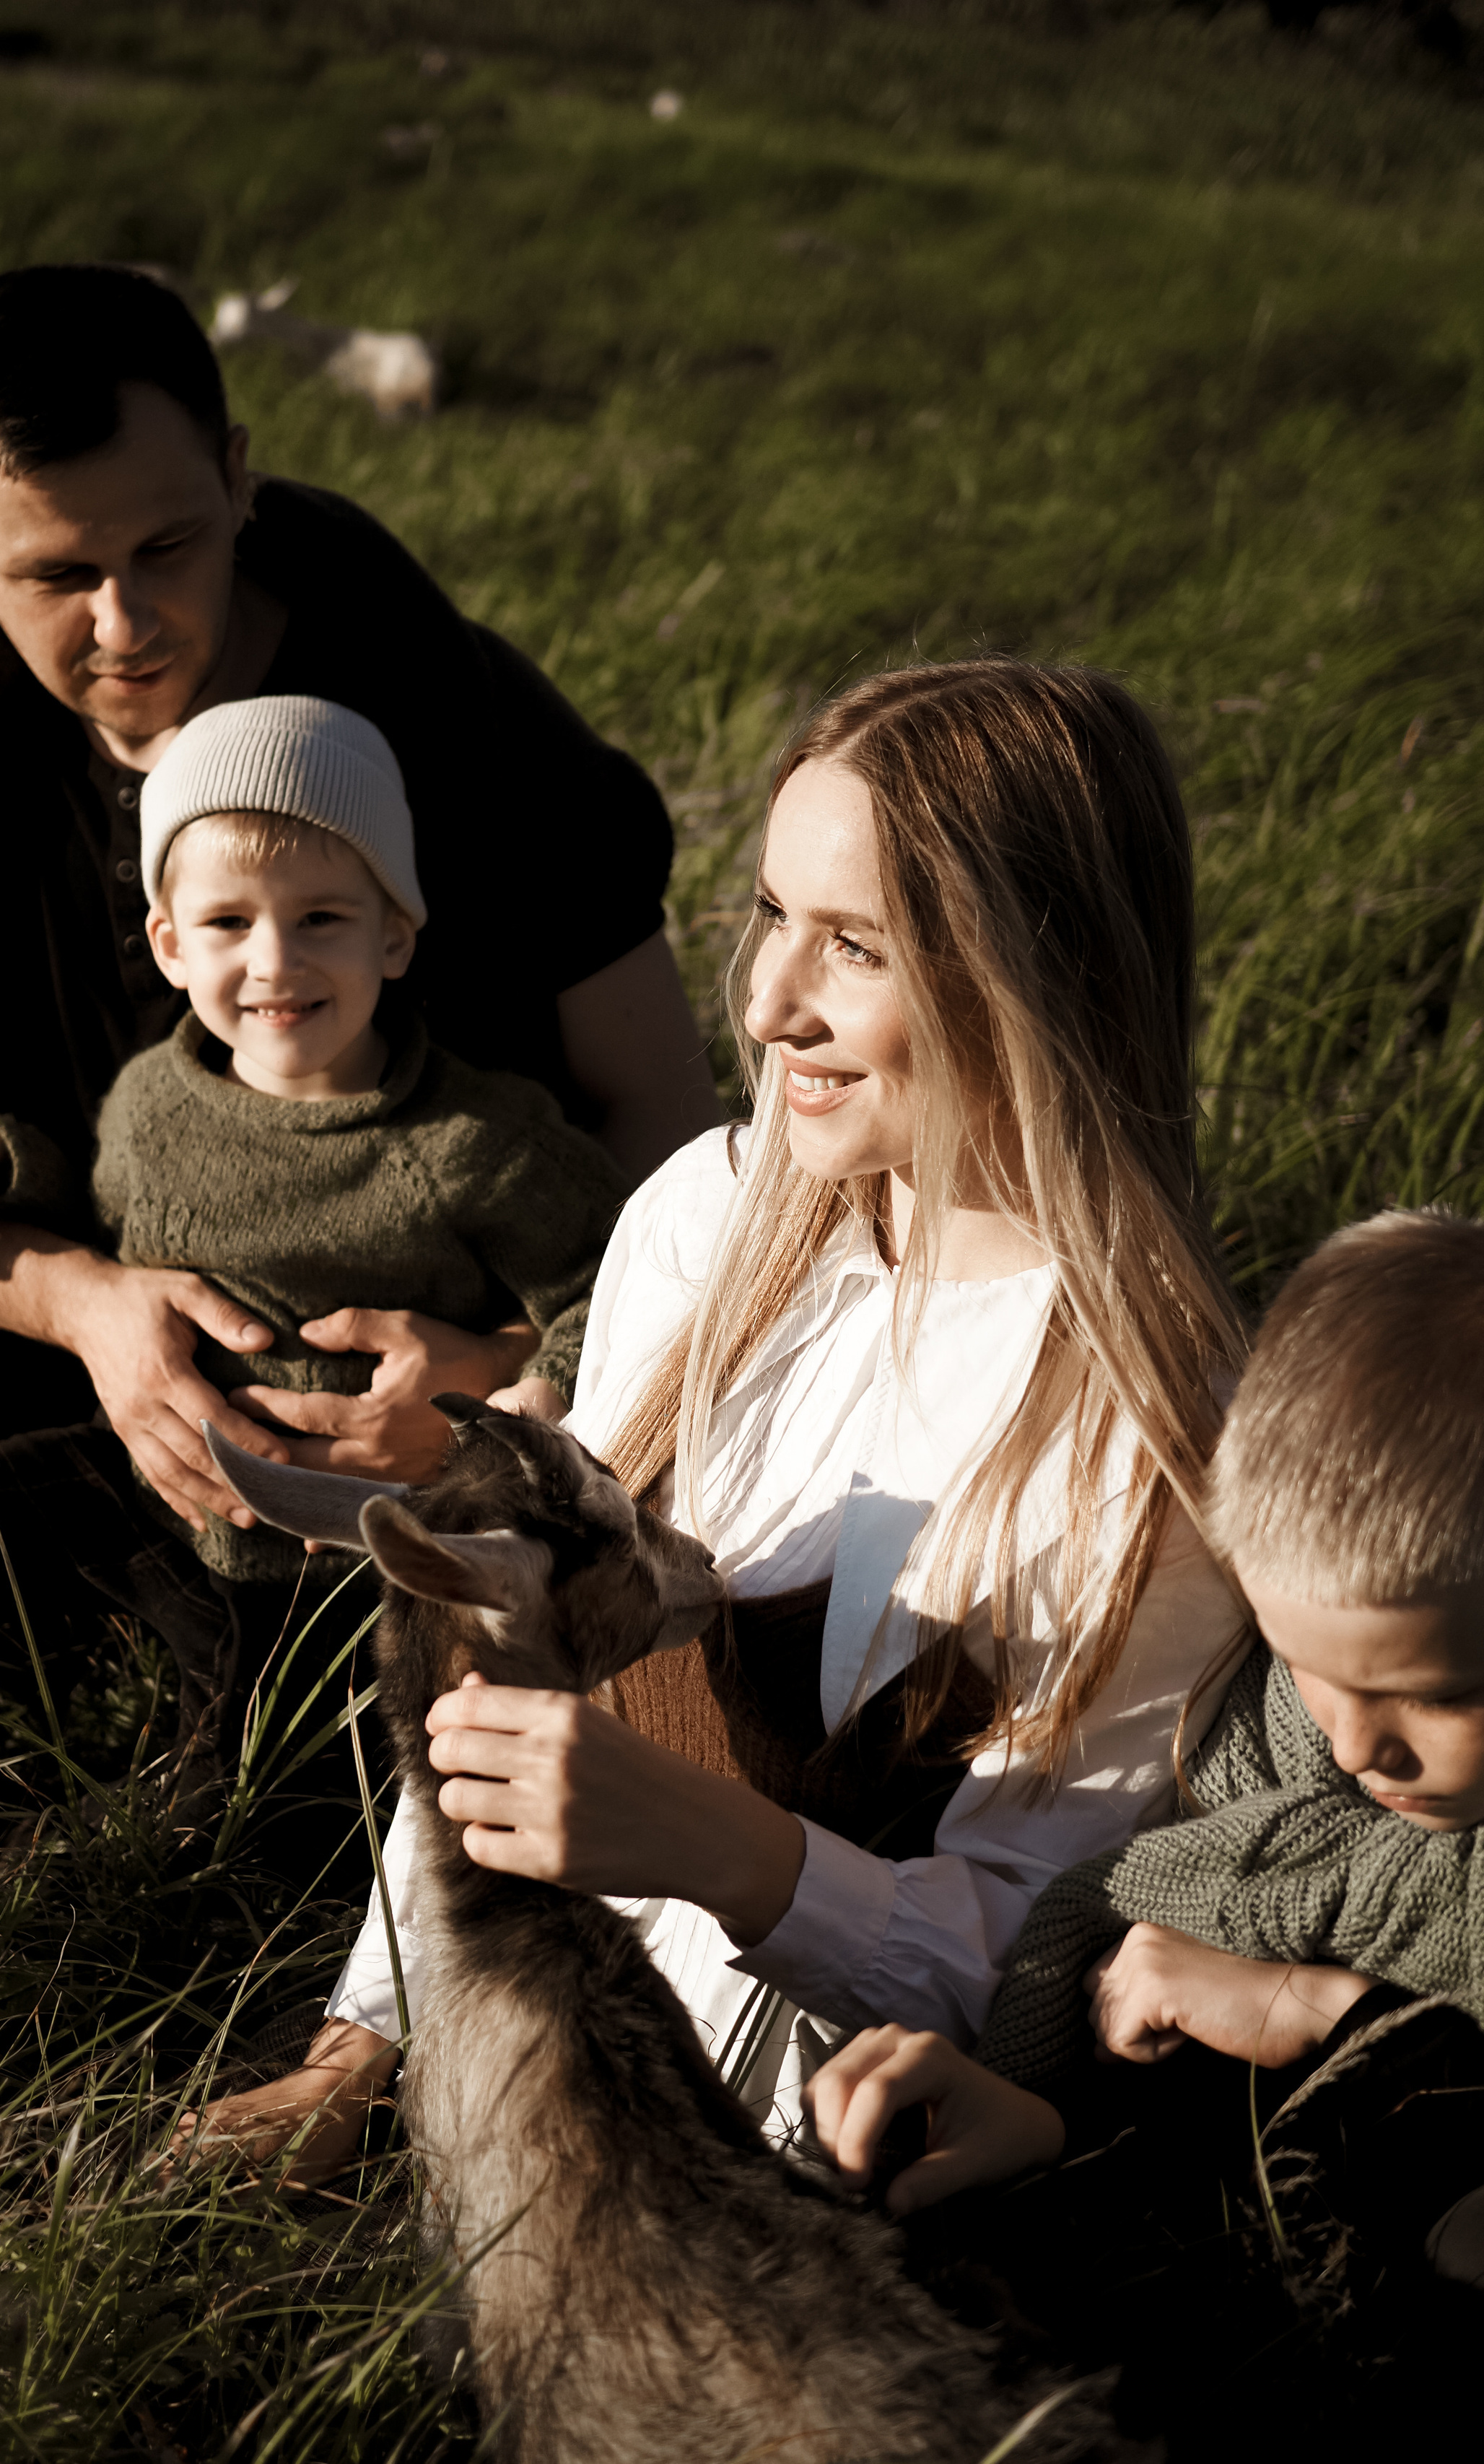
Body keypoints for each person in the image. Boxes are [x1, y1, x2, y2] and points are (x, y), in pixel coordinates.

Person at [170, 654, 1252, 2177]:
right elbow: (508, 1676)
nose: (763, 1003)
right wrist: (361, 2049)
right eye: (770, 914)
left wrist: (729, 1855)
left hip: (811, 2162)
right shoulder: (707, 1220)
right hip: (530, 2042)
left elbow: (1033, 1976)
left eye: (856, 949)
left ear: (1037, 972)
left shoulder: (1151, 1442)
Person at [0, 262, 718, 1549]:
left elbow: (669, 1122)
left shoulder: (459, 718)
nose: (126, 621)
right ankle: (99, 1576)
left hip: (408, 1365)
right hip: (88, 1321)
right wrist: (85, 1305)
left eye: (167, 548)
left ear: (237, 479)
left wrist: (509, 1372)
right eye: (60, 574)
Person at [0, 695, 629, 1847]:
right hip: (157, 1486)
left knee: (239, 1811)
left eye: (321, 918)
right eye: (226, 923)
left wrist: (527, 1399)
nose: (273, 962)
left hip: (331, 1551)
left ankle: (156, 1868)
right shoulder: (158, 1097)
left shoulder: (478, 1139)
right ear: (168, 943)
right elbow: (95, 1202)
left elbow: (621, 1274)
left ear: (394, 933)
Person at [800, 1206, 1484, 2449]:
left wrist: (1317, 2015)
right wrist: (1047, 2114)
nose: (1357, 1747)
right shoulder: (1270, 1766)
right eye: (1313, 1669)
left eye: (1439, 1694)